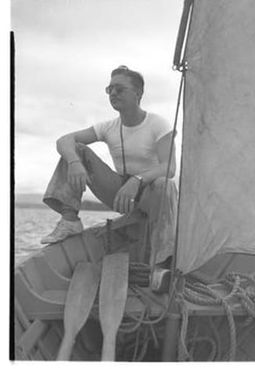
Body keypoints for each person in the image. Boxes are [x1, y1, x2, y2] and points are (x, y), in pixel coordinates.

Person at [41, 65, 177, 271]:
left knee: (164, 184)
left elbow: (170, 167)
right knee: (75, 149)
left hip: (152, 196)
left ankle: (161, 265)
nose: (113, 93)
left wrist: (137, 180)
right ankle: (70, 220)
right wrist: (74, 162)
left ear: (138, 93)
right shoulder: (108, 127)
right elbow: (64, 140)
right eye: (109, 89)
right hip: (122, 195)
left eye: (120, 89)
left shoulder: (158, 124)